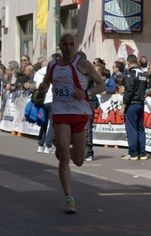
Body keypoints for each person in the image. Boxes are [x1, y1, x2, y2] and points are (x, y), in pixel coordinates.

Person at [37, 33, 106, 213]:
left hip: (80, 113)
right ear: (60, 46)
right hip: (60, 112)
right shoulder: (52, 65)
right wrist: (42, 88)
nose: (68, 47)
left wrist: (85, 93)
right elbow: (45, 84)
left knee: (79, 160)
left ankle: (62, 147)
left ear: (74, 46)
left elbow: (102, 85)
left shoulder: (82, 64)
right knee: (65, 155)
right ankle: (69, 198)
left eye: (71, 44)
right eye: (65, 44)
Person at [119, 54, 148, 160]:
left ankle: (133, 153)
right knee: (140, 128)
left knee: (131, 129)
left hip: (132, 104)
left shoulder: (131, 74)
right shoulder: (143, 74)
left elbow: (129, 91)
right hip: (141, 103)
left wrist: (123, 106)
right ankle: (142, 153)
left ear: (128, 63)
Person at [34, 59, 55, 154]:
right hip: (52, 99)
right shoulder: (53, 72)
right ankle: (48, 145)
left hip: (42, 100)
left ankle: (40, 144)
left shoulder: (37, 73)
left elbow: (36, 86)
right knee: (52, 124)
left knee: (43, 122)